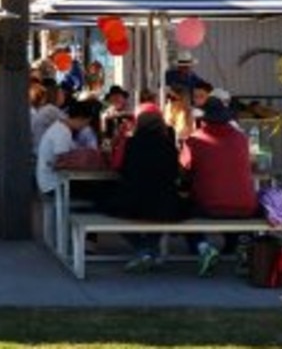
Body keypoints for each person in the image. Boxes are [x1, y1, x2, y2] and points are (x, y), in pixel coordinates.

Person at [179, 97, 259, 276]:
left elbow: (183, 170)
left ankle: (202, 246)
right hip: (246, 206)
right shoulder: (241, 138)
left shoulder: (195, 139)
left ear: (204, 119)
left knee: (184, 210)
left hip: (210, 205)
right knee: (230, 199)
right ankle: (236, 245)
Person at [102, 103, 185, 272]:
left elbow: (119, 167)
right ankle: (149, 249)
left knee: (108, 213)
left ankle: (143, 249)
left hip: (134, 202)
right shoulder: (169, 145)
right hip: (165, 201)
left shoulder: (131, 143)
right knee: (164, 217)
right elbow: (176, 173)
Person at [35, 102, 94, 198]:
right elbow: (63, 161)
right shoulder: (62, 133)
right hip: (54, 185)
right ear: (80, 119)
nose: (84, 127)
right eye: (86, 123)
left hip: (50, 181)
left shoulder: (61, 128)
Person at [28, 82, 63, 154]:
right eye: (61, 94)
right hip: (44, 152)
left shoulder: (43, 110)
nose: (64, 96)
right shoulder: (50, 110)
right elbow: (71, 124)